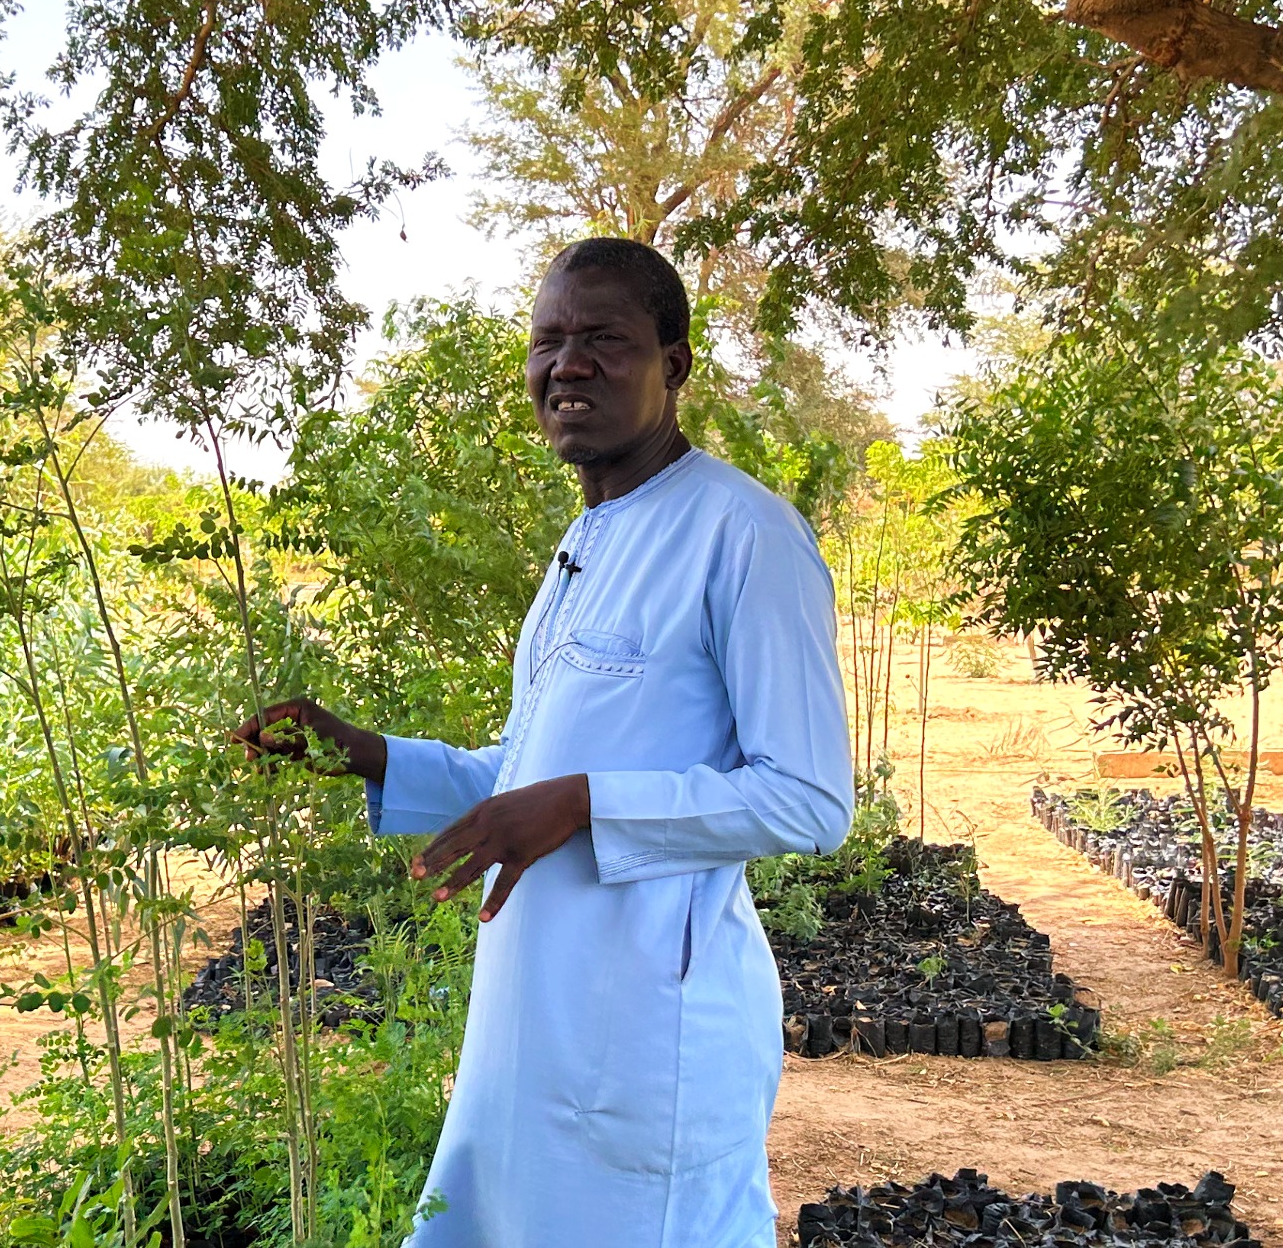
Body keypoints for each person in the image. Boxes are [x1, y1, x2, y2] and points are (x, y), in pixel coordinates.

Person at [234, 238, 853, 1247]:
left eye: (603, 338)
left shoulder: (744, 534)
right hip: (531, 1021)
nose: (567, 364)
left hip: (650, 1033)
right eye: (549, 340)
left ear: (676, 364)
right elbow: (518, 774)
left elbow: (809, 799)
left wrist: (583, 804)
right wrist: (368, 754)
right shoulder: (584, 542)